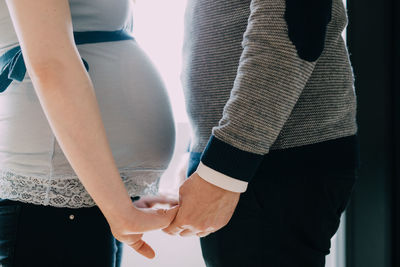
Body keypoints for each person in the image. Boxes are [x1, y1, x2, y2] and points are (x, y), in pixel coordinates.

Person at [163, 0, 360, 266]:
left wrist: (223, 171)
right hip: (251, 152)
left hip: (274, 156)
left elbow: (293, 27)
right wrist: (199, 150)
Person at [0, 0, 178, 266]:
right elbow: (51, 65)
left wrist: (123, 192)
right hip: (52, 190)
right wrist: (118, 208)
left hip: (90, 192)